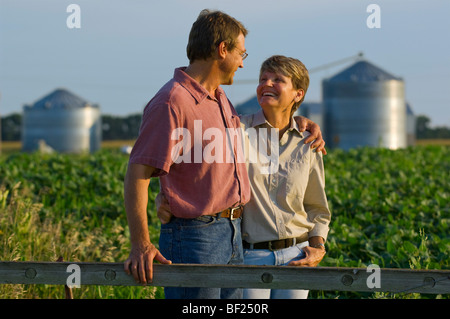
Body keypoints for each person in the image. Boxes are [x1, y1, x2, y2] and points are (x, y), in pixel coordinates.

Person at [123, 9, 325, 299]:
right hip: (195, 236)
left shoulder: (221, 100)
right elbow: (138, 172)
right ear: (222, 50)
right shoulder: (172, 101)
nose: (242, 64)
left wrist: (301, 122)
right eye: (241, 54)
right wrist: (141, 242)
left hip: (231, 233)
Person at [240, 55, 331, 299]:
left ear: (298, 94)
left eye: (277, 80)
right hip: (250, 256)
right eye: (263, 79)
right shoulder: (237, 132)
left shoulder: (308, 142)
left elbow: (317, 207)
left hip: (298, 255)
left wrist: (318, 246)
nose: (266, 84)